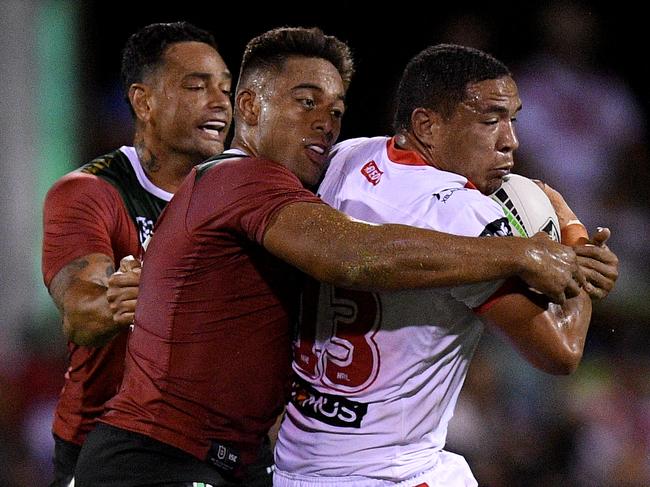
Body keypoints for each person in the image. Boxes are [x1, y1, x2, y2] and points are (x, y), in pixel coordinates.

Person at [74, 28, 587, 487]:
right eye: (305, 102)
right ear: (249, 108)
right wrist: (521, 250)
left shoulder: (343, 163)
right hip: (161, 457)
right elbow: (350, 255)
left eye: (336, 110)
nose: (325, 123)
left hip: (249, 461)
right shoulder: (243, 179)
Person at [272, 44, 619, 487]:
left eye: (513, 119)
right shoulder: (466, 216)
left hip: (295, 461)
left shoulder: (347, 156)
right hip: (389, 472)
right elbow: (561, 351)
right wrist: (570, 228)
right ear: (426, 125)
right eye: (490, 120)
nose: (510, 139)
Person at [41, 21, 232, 486]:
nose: (220, 102)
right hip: (105, 448)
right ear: (143, 101)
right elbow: (80, 314)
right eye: (196, 86)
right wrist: (126, 298)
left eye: (226, 88)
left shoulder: (238, 193)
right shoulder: (89, 192)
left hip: (215, 446)